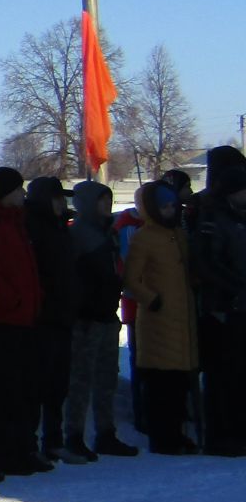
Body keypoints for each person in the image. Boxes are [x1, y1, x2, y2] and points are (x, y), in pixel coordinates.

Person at [0, 168, 48, 475]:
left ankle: (23, 449)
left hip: (25, 315)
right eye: (19, 190)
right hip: (5, 318)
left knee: (26, 389)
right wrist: (12, 300)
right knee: (6, 390)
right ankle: (3, 452)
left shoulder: (16, 221)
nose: (24, 195)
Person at [124, 181, 200, 455]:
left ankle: (177, 433)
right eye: (165, 206)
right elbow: (131, 278)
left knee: (179, 385)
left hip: (182, 320)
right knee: (161, 386)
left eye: (172, 206)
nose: (170, 211)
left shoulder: (178, 235)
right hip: (158, 321)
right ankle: (163, 436)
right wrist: (152, 299)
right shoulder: (144, 237)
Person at [66, 180, 132, 460]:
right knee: (80, 380)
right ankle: (74, 435)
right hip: (86, 318)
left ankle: (106, 433)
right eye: (102, 201)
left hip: (107, 315)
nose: (107, 206)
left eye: (109, 201)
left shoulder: (108, 232)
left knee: (107, 378)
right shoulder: (79, 233)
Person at [193, 157, 246, 457]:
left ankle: (239, 430)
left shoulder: (239, 218)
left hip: (240, 307)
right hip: (222, 308)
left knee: (239, 375)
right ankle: (221, 435)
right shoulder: (214, 219)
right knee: (223, 375)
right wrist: (234, 288)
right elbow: (207, 262)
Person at [25, 176, 76, 463]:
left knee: (59, 384)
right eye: (58, 198)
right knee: (39, 384)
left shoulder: (60, 227)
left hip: (62, 315)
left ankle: (53, 440)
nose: (63, 203)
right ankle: (33, 441)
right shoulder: (33, 226)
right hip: (42, 317)